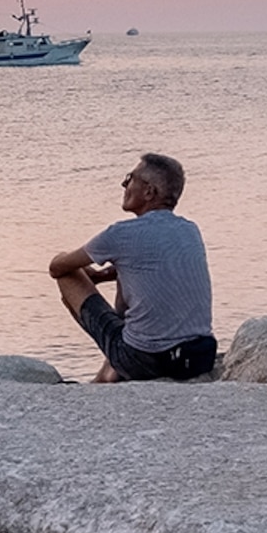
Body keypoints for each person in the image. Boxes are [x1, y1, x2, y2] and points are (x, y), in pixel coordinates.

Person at [48, 152, 218, 382]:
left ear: (149, 192)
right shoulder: (190, 230)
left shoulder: (121, 234)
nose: (124, 185)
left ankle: (113, 369)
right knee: (132, 296)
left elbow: (57, 268)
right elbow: (154, 269)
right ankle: (106, 376)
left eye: (130, 179)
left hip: (148, 361)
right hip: (196, 357)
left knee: (67, 275)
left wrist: (85, 274)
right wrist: (105, 275)